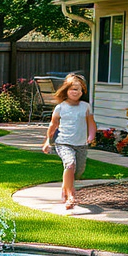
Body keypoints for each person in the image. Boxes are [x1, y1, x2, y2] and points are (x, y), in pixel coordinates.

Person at [42, 73, 97, 210]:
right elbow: (53, 125)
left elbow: (91, 123)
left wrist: (91, 136)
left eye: (79, 89)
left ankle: (65, 186)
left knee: (78, 172)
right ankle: (71, 196)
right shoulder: (60, 107)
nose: (76, 92)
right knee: (70, 165)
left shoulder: (86, 107)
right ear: (66, 90)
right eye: (73, 89)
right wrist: (48, 141)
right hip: (64, 143)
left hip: (81, 145)